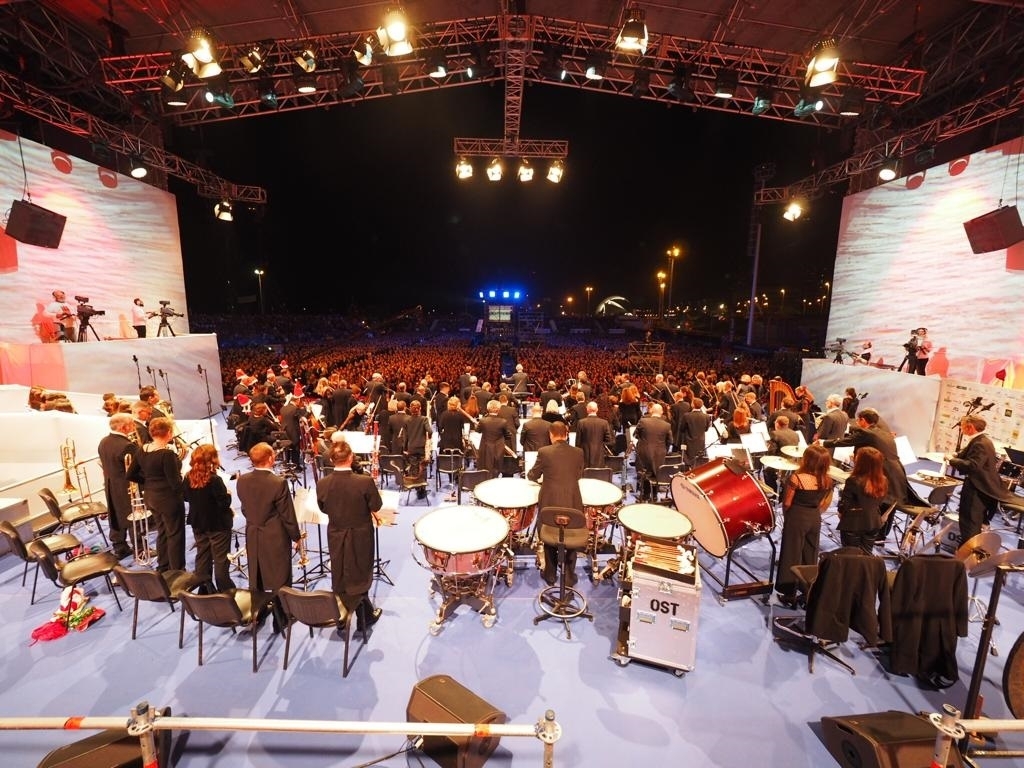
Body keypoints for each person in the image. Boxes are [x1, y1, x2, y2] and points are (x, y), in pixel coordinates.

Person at [317, 440, 383, 634]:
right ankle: (364, 618)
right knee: (360, 572)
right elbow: (376, 506)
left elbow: (323, 508)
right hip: (360, 534)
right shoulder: (364, 482)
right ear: (351, 457)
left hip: (336, 533)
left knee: (339, 572)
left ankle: (341, 616)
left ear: (331, 459)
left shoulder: (322, 483)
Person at [236, 442, 302, 632]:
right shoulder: (278, 483)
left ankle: (259, 610)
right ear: (271, 458)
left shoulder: (242, 480)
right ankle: (281, 618)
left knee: (256, 573)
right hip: (275, 535)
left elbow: (245, 508)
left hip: (253, 532)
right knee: (280, 575)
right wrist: (296, 537)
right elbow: (287, 514)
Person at [775, 443, 834, 607]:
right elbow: (822, 503)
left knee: (791, 553)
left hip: (797, 516)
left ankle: (789, 593)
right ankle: (808, 591)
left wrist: (789, 516)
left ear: (807, 460)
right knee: (810, 553)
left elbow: (787, 503)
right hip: (814, 518)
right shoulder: (827, 480)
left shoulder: (797, 478)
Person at [527, 422, 585, 586]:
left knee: (550, 535)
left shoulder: (544, 452)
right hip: (573, 500)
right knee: (572, 534)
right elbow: (578, 474)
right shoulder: (578, 452)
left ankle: (550, 574)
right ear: (566, 434)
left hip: (550, 501)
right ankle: (569, 576)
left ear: (551, 435)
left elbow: (533, 475)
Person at [127, 416, 186, 572]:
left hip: (151, 497)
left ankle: (163, 565)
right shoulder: (166, 454)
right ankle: (177, 570)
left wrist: (148, 482)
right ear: (168, 432)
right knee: (175, 534)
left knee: (162, 531)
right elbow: (175, 484)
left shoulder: (142, 449)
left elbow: (130, 475)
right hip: (168, 500)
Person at [946, 415, 1016, 544]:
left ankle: (968, 556)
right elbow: (966, 454)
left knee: (969, 523)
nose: (961, 429)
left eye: (962, 426)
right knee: (972, 522)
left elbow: (973, 466)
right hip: (983, 485)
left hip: (978, 487)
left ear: (970, 427)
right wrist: (956, 455)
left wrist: (952, 460)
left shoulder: (980, 443)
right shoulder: (981, 440)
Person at [183, 444, 236, 593]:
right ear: (212, 459)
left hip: (198, 524)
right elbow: (223, 504)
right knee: (220, 560)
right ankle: (226, 592)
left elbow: (185, 497)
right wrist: (229, 495)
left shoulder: (188, 477)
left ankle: (205, 589)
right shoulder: (215, 480)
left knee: (203, 556)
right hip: (217, 526)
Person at [97, 412, 140, 559]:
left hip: (110, 485)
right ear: (123, 427)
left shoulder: (104, 442)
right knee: (134, 516)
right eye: (132, 424)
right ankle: (140, 549)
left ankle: (119, 546)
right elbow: (138, 469)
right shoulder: (127, 446)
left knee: (115, 515)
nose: (134, 427)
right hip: (127, 487)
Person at [836, 446, 888, 552]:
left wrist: (841, 512)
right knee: (866, 555)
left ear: (862, 463)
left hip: (853, 523)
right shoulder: (883, 481)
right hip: (873, 522)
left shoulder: (853, 481)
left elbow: (844, 504)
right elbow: (880, 501)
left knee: (850, 556)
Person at [634, 402, 672, 498]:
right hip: (660, 452)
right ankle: (654, 495)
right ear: (662, 412)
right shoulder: (667, 425)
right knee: (656, 472)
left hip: (644, 451)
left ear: (651, 411)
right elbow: (670, 441)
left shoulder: (643, 421)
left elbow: (635, 435)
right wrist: (664, 450)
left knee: (645, 472)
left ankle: (645, 495)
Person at [475, 399, 513, 478]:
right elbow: (507, 436)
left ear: (488, 409)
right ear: (498, 409)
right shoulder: (503, 422)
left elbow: (478, 430)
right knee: (496, 469)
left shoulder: (483, 421)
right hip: (498, 449)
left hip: (485, 448)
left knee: (485, 468)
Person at [576, 401, 614, 469]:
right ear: (597, 410)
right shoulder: (604, 423)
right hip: (599, 456)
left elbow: (578, 443)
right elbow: (609, 441)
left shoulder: (581, 423)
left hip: (585, 456)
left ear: (587, 410)